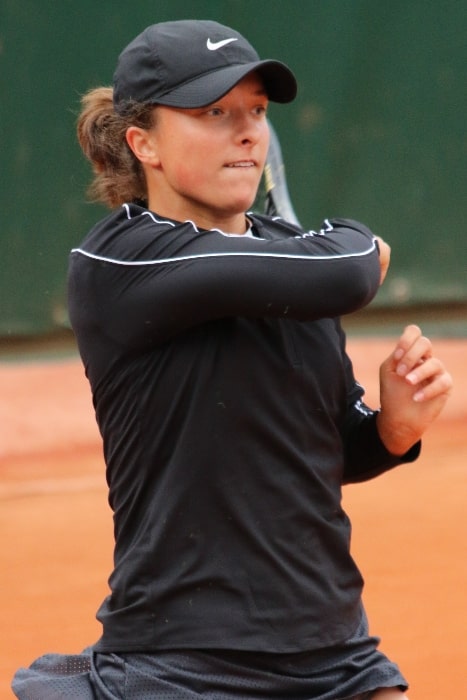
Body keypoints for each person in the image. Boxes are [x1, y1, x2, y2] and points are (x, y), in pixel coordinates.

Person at [12, 19, 452, 700]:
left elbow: (327, 448)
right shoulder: (122, 260)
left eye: (253, 111)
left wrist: (391, 430)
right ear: (143, 142)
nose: (246, 131)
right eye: (213, 113)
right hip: (183, 661)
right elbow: (350, 271)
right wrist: (355, 241)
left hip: (334, 650)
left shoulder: (292, 262)